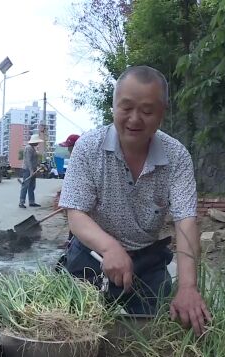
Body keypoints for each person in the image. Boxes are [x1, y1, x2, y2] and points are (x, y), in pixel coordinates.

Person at [59, 65, 211, 336]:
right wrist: (110, 248)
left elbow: (186, 221)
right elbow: (76, 215)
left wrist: (188, 287)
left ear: (162, 113)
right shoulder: (87, 148)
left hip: (147, 260)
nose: (135, 119)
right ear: (114, 106)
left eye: (147, 111)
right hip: (91, 254)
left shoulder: (177, 157)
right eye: (126, 108)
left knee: (163, 332)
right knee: (71, 328)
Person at [19, 133, 43, 209]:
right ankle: (21, 202)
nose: (38, 143)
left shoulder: (33, 148)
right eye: (37, 142)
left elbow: (34, 160)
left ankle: (31, 201)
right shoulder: (28, 148)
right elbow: (28, 161)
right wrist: (31, 171)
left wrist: (39, 165)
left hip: (33, 169)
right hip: (27, 169)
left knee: (32, 186)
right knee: (25, 186)